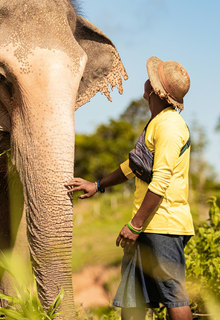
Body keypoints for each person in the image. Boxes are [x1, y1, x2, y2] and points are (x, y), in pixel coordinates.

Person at [65, 57, 194, 320]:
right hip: (148, 224)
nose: (145, 81)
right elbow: (133, 166)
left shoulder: (170, 127)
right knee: (132, 298)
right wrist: (98, 185)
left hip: (163, 226)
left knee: (174, 297)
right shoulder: (158, 122)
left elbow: (160, 182)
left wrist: (134, 225)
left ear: (155, 91)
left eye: (151, 79)